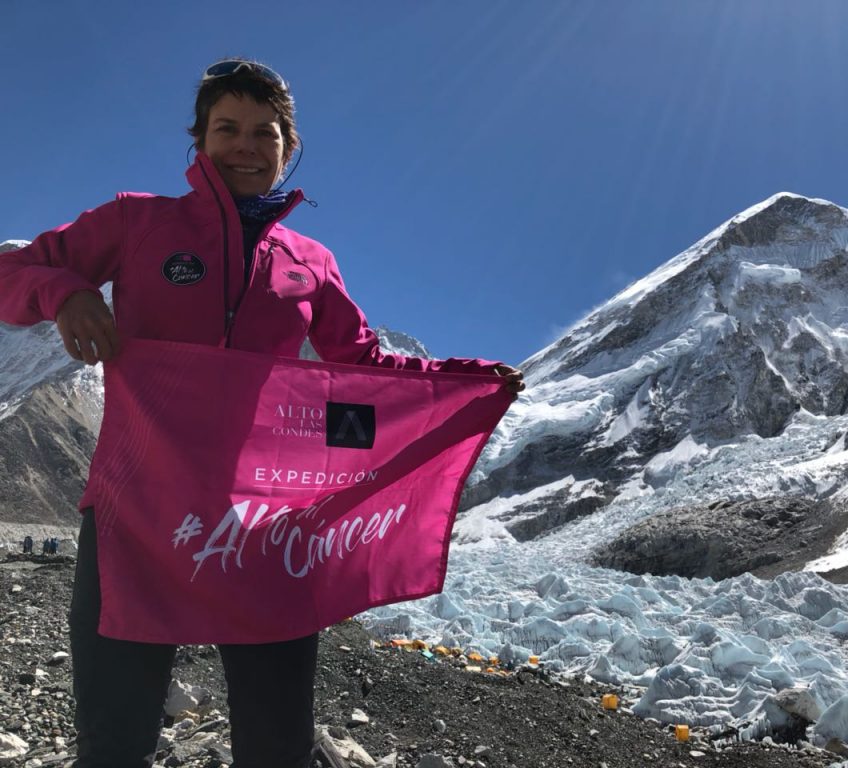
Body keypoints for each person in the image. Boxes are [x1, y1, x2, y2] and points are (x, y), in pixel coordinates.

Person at [0, 58, 524, 768]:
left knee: (276, 742)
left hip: (264, 521)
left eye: (264, 133)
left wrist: (467, 382)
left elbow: (363, 366)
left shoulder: (310, 261)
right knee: (114, 741)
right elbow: (11, 273)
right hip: (136, 510)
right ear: (199, 140)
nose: (245, 146)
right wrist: (65, 292)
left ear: (288, 147)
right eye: (228, 129)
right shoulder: (136, 221)